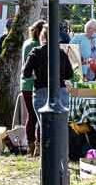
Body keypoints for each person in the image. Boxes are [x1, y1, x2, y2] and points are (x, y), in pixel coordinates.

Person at [22, 25, 74, 137]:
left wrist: (35, 75)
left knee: (43, 125)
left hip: (41, 90)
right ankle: (61, 151)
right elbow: (69, 74)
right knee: (60, 126)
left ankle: (41, 149)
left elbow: (26, 73)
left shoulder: (36, 52)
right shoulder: (61, 53)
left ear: (42, 37)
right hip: (61, 91)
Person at [20, 20, 45, 157]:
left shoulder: (27, 43)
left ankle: (31, 144)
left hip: (25, 84)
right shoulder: (37, 46)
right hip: (35, 84)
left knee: (31, 116)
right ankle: (37, 145)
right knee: (40, 116)